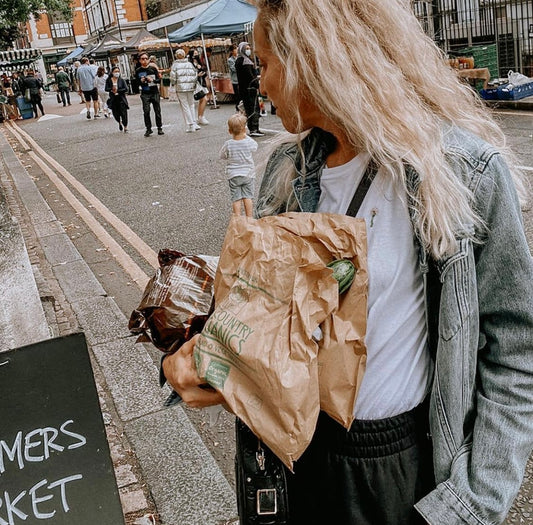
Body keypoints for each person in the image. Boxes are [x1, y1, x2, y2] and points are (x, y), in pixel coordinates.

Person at [161, 1, 533, 525]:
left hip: (400, 469)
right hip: (292, 460)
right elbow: (270, 329)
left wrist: (471, 505)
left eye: (266, 64)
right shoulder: (288, 169)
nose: (260, 82)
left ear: (313, 59)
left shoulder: (462, 173)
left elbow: (516, 352)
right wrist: (205, 363)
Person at [219, 113, 258, 217]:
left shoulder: (228, 144)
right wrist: (246, 136)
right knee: (247, 197)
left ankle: (237, 219)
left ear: (229, 131)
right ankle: (249, 218)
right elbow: (255, 147)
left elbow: (222, 156)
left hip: (233, 175)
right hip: (248, 174)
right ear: (245, 130)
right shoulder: (248, 142)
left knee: (236, 198)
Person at [235, 42, 263, 137]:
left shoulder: (240, 60)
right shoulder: (245, 61)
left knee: (249, 108)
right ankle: (254, 128)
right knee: (253, 108)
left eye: (249, 47)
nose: (248, 49)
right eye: (246, 48)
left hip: (244, 89)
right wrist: (257, 84)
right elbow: (250, 76)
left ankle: (253, 128)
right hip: (249, 88)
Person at [170, 49, 200, 133]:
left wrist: (173, 84)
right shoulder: (189, 64)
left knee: (185, 105)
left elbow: (173, 78)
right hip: (190, 87)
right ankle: (194, 122)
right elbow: (195, 75)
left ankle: (190, 124)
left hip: (180, 87)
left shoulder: (175, 65)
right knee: (191, 104)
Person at [135, 52, 164, 137]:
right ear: (140, 60)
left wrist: (152, 80)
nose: (144, 60)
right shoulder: (138, 71)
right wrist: (141, 81)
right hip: (145, 93)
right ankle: (148, 128)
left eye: (146, 58)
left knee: (157, 111)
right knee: (146, 111)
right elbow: (135, 83)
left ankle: (159, 128)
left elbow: (159, 80)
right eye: (142, 59)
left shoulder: (153, 69)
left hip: (154, 92)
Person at [187, 49, 209, 125]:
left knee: (202, 99)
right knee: (204, 98)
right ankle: (200, 117)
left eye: (197, 53)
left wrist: (201, 70)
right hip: (196, 83)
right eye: (195, 53)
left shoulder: (198, 62)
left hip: (201, 82)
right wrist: (197, 74)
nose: (196, 55)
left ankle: (200, 116)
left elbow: (203, 70)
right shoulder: (189, 64)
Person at [105, 66, 129, 132]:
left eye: (118, 71)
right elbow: (106, 88)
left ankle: (125, 126)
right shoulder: (109, 80)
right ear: (112, 72)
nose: (117, 73)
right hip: (113, 99)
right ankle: (119, 122)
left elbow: (126, 89)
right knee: (116, 113)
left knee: (124, 113)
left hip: (121, 98)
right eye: (115, 71)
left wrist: (118, 90)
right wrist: (111, 90)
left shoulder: (121, 80)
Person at [227, 44, 240, 112]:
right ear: (232, 51)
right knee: (237, 96)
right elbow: (234, 69)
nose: (237, 50)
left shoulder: (239, 57)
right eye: (235, 49)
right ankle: (238, 108)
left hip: (241, 79)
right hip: (235, 80)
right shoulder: (230, 60)